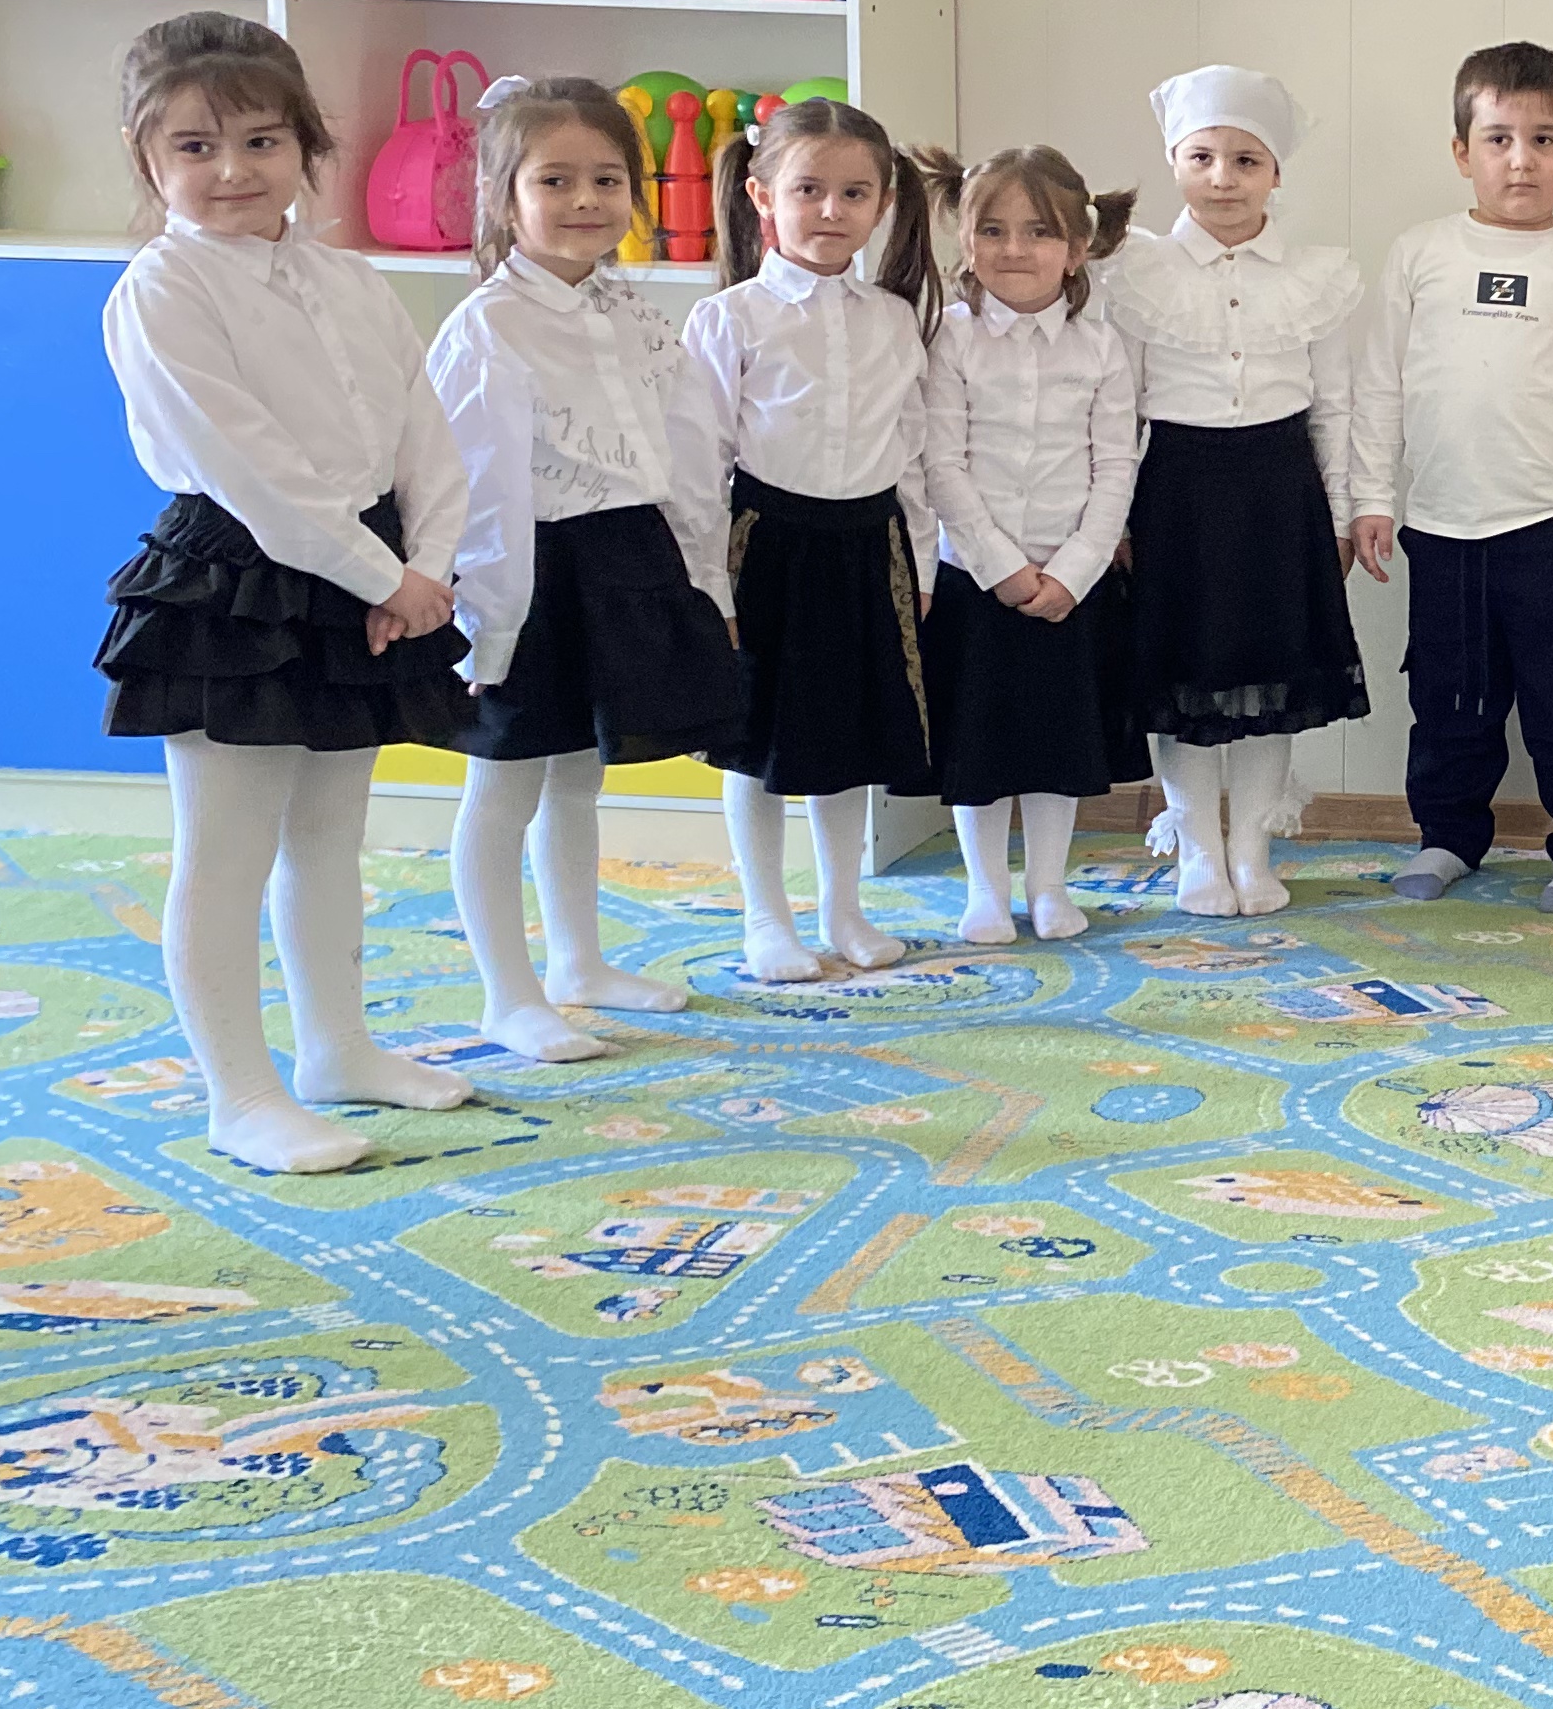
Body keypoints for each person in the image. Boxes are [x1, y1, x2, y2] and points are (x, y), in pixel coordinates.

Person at [95, 12, 479, 1172]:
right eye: (195, 146)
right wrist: (385, 577)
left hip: (368, 570)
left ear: (308, 146)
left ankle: (337, 1049)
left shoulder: (349, 277)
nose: (232, 170)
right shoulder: (161, 291)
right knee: (226, 849)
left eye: (261, 142)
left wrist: (428, 567)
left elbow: (424, 431)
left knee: (328, 833)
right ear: (146, 156)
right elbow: (250, 469)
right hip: (236, 582)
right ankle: (240, 1094)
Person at [429, 74, 742, 1058]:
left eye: (607, 179)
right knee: (505, 782)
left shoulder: (636, 314)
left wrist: (705, 582)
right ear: (503, 197)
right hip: (527, 571)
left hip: (622, 556)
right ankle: (505, 992)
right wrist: (487, 623)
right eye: (554, 180)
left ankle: (578, 960)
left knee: (577, 776)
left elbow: (689, 453)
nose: (585, 201)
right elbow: (474, 483)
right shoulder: (489, 325)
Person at [1347, 42, 1553, 911]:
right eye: (1498, 139)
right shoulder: (1420, 253)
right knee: (1448, 696)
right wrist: (1372, 498)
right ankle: (1447, 835)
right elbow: (1380, 385)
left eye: (1544, 140)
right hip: (1443, 523)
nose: (1522, 160)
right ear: (1461, 152)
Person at [676, 94, 949, 983]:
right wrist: (707, 583)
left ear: (883, 203)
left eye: (855, 194)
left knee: (849, 737)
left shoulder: (893, 319)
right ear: (762, 196)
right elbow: (698, 465)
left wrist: (923, 563)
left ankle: (843, 908)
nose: (832, 211)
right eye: (808, 190)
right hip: (767, 547)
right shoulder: (730, 319)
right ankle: (766, 916)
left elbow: (912, 452)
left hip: (868, 546)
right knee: (756, 742)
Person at [1100, 67, 1366, 917]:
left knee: (1271, 677)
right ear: (1174, 163)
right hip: (1175, 495)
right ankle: (1197, 851)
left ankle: (1252, 849)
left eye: (1246, 160)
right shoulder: (1136, 269)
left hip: (1280, 494)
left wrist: (1343, 514)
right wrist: (1112, 523)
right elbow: (1116, 410)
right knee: (1184, 679)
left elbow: (1336, 408)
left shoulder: (1317, 275)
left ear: (1276, 172)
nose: (1223, 178)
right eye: (1202, 157)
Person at [922, 145, 1147, 944]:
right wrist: (1003, 569)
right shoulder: (948, 339)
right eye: (993, 230)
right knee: (978, 749)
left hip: (1070, 585)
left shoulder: (1101, 346)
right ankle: (985, 891)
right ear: (965, 239)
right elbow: (941, 464)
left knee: (1058, 746)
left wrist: (1074, 572)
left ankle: (1049, 886)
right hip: (975, 580)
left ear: (1078, 248)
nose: (1014, 249)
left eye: (1038, 232)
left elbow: (1116, 467)